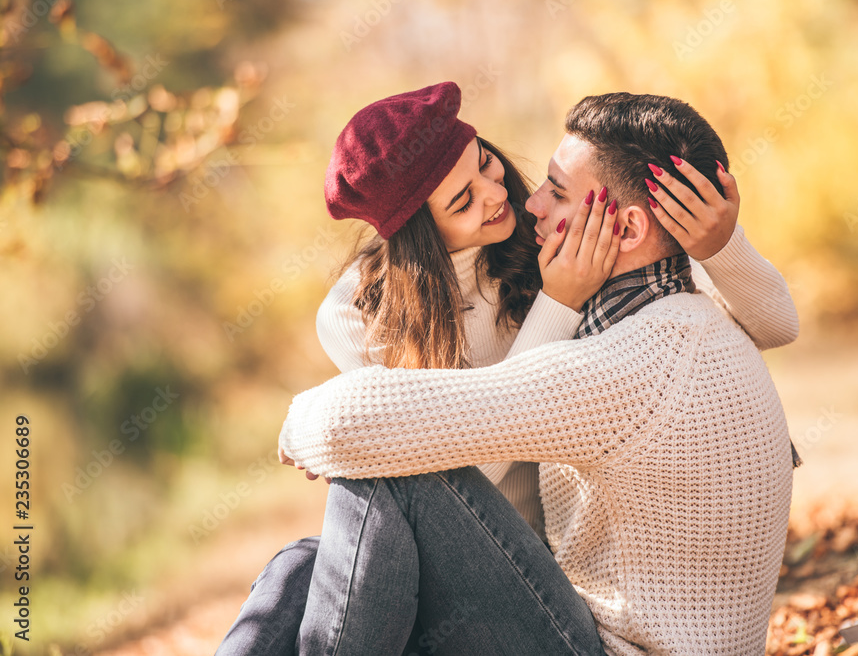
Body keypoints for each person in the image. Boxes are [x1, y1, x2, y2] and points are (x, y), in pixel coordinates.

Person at [218, 85, 798, 655]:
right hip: (524, 584)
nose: (523, 201)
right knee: (303, 562)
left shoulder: (627, 351)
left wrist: (720, 246)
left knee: (389, 454)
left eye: (555, 190)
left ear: (625, 228)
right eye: (462, 202)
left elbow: (367, 432)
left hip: (577, 621)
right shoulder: (651, 305)